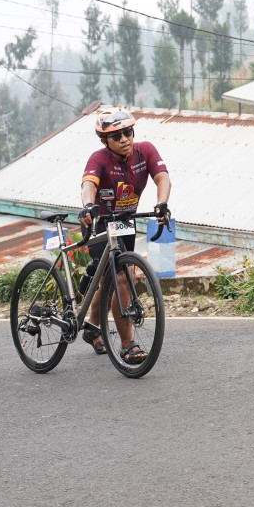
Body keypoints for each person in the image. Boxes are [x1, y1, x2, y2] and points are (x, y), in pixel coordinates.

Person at [78, 108, 171, 365]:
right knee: (120, 276)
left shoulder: (145, 151)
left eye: (128, 132)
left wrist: (161, 203)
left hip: (124, 223)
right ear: (104, 140)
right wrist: (88, 205)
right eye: (116, 136)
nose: (124, 139)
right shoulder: (99, 158)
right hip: (99, 222)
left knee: (117, 278)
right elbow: (88, 185)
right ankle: (128, 345)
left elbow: (163, 178)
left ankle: (92, 326)